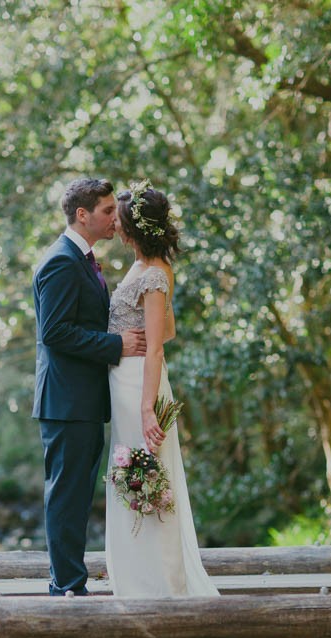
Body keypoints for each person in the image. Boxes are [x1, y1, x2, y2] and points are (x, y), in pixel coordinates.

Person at [33, 177, 146, 596]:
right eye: (106, 211)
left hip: (82, 400)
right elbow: (55, 333)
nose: (114, 218)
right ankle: (66, 586)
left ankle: (69, 581)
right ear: (83, 215)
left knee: (77, 496)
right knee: (67, 496)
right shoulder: (61, 261)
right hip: (66, 402)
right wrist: (116, 344)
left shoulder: (82, 259)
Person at [105, 180, 219, 598]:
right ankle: (135, 580)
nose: (114, 229)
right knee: (129, 476)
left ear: (133, 229)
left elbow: (156, 348)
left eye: (118, 222)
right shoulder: (147, 269)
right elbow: (167, 329)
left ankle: (162, 587)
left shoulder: (154, 273)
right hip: (124, 381)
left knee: (147, 475)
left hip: (141, 385)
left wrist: (149, 409)